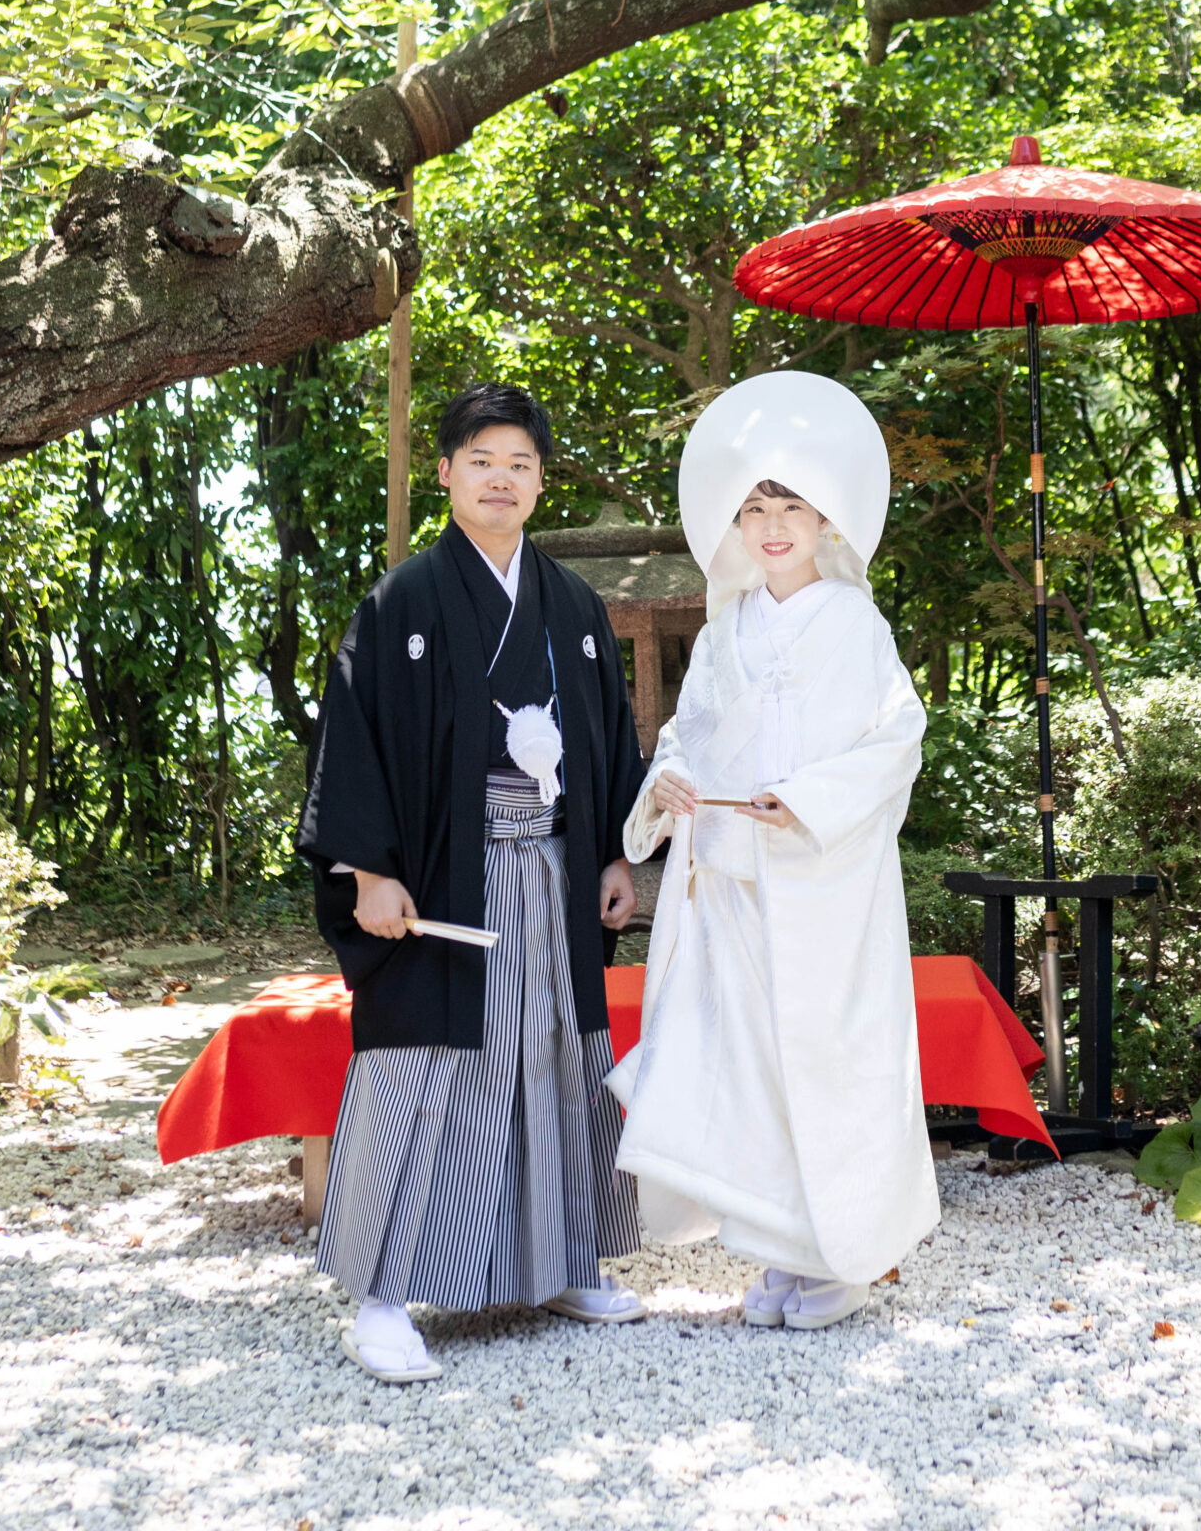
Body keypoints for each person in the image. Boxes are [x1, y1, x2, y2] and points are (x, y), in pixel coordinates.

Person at [297, 383, 647, 1382]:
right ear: (445, 472)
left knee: (553, 1056)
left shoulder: (573, 605)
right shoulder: (402, 601)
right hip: (441, 881)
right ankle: (380, 1296)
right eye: (482, 460)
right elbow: (353, 739)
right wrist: (368, 871)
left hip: (554, 870)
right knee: (421, 1069)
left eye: (519, 463)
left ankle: (562, 1261)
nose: (501, 478)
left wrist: (614, 854)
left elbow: (609, 742)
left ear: (540, 482)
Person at [610, 369, 938, 1329]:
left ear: (825, 518)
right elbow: (689, 736)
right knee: (745, 1068)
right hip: (731, 885)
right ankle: (778, 1248)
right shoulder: (727, 630)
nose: (772, 526)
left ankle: (836, 1258)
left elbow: (897, 740)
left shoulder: (856, 624)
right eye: (754, 509)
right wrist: (668, 784)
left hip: (823, 881)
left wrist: (803, 800)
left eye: (791, 505)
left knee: (824, 1062)